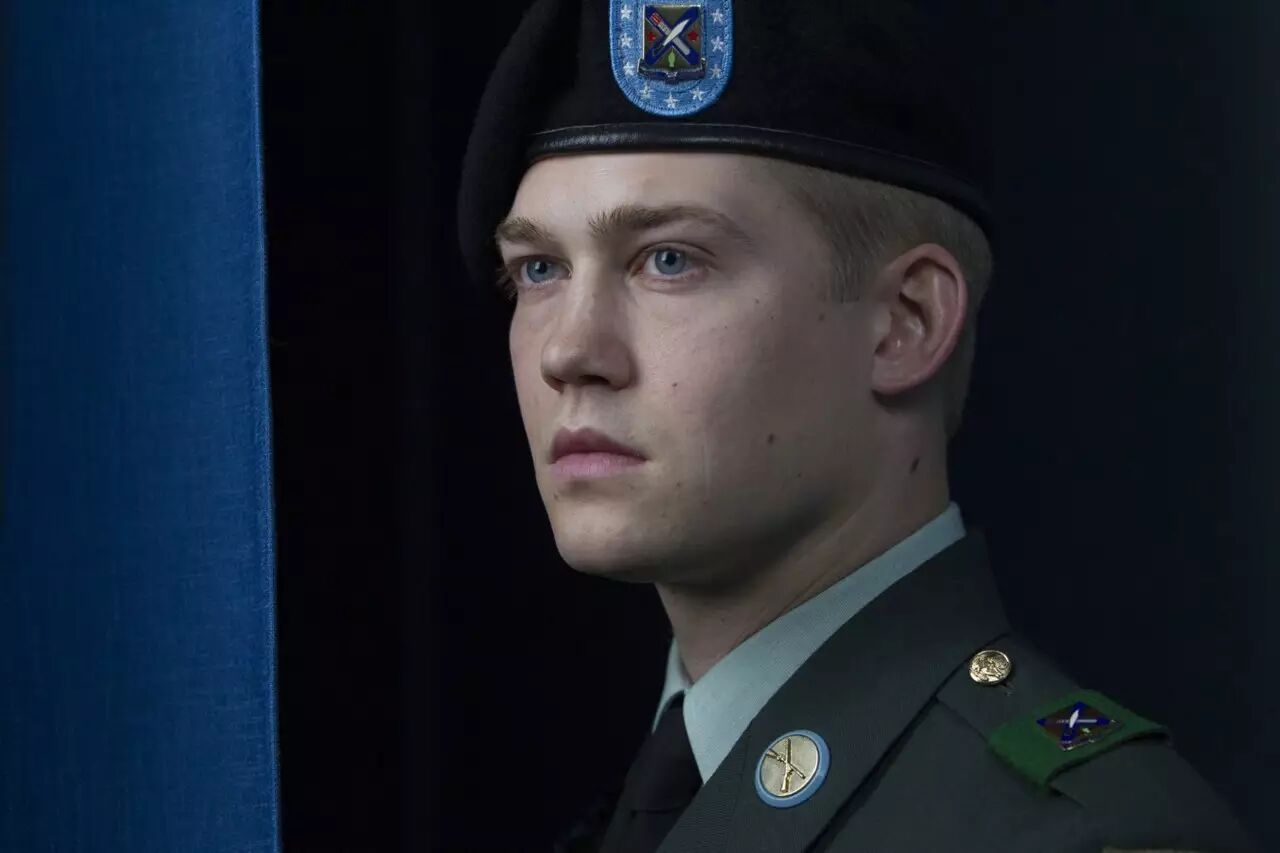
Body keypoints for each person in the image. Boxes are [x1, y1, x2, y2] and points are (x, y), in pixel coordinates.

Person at [455, 1, 1260, 851]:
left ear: (906, 322)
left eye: (669, 259)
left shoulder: (1094, 834)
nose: (569, 351)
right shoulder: (640, 810)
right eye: (538, 270)